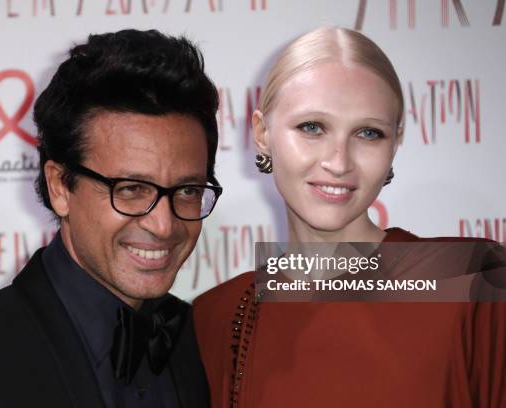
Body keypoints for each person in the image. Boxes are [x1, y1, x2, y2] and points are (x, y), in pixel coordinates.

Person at [0, 29, 221, 408]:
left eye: (187, 191)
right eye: (131, 189)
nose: (163, 225)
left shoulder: (198, 339)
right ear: (60, 187)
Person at [193, 27, 505, 407]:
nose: (338, 162)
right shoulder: (216, 316)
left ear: (396, 142)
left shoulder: (474, 283)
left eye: (368, 133)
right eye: (312, 127)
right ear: (261, 133)